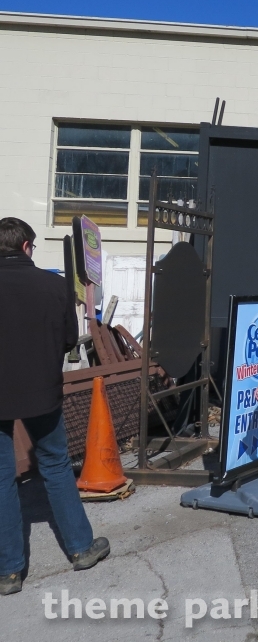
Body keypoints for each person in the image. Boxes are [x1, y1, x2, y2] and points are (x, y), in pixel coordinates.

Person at [0, 218, 110, 596]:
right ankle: (80, 548)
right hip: (41, 392)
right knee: (56, 466)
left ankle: (9, 572)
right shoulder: (53, 285)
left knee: (0, 478)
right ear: (28, 246)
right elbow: (68, 341)